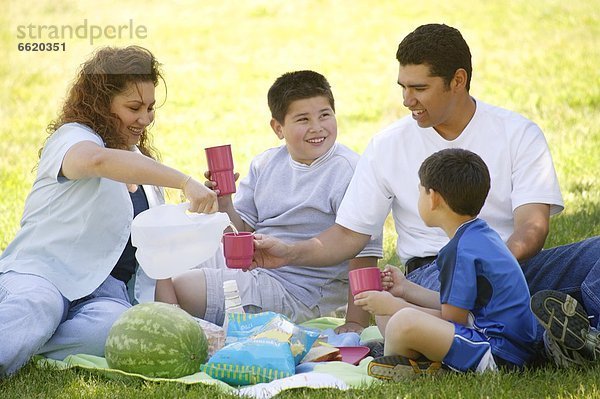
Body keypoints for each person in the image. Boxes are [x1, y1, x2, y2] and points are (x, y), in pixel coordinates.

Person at [251, 23, 600, 365]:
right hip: (435, 273)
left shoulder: (517, 133)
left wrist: (493, 267)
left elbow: (532, 228)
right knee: (442, 308)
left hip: (515, 264)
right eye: (402, 87)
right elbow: (348, 235)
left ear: (457, 81)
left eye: (419, 87)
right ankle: (550, 340)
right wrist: (288, 253)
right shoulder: (388, 145)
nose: (407, 100)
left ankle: (582, 337)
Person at [0, 45, 218, 377]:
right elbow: (97, 162)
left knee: (112, 331)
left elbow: (154, 262)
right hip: (45, 271)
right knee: (38, 306)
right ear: (102, 103)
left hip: (106, 294)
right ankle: (24, 331)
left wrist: (174, 320)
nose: (144, 119)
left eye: (150, 108)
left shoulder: (142, 172)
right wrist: (185, 182)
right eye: (134, 107)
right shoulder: (73, 138)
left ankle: (27, 341)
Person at [154, 70, 382, 332]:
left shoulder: (349, 171)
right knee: (170, 260)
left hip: (300, 291)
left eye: (325, 115)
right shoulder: (266, 164)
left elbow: (364, 254)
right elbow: (241, 233)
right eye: (303, 119)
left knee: (183, 286)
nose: (317, 127)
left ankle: (178, 333)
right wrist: (225, 202)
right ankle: (179, 331)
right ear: (278, 128)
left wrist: (355, 323)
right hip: (257, 268)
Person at [354, 148, 537, 380]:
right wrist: (405, 289)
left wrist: (394, 307)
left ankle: (408, 364)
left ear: (434, 198)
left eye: (419, 191)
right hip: (498, 343)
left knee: (401, 319)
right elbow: (455, 308)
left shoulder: (460, 249)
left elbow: (453, 320)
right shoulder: (477, 235)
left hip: (498, 354)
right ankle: (408, 355)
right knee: (390, 313)